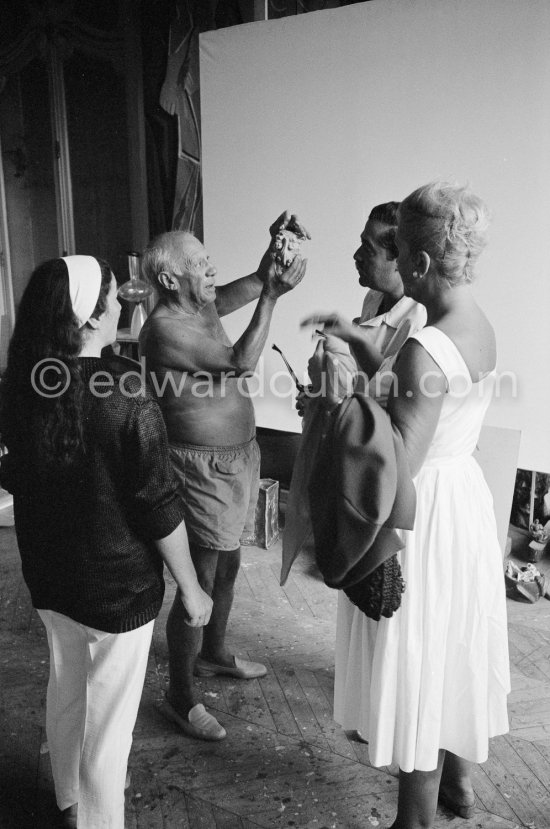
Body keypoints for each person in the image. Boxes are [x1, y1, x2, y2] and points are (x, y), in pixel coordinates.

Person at [302, 182, 510, 828]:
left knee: (418, 664)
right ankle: (454, 784)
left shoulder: (424, 345)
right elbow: (427, 392)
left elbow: (396, 457)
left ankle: (411, 821)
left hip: (422, 513)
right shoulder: (475, 323)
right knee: (445, 651)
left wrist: (338, 403)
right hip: (462, 498)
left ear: (418, 265)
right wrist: (365, 347)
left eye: (403, 254)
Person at [0, 256, 212, 829]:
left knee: (67, 686)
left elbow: (14, 474)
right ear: (93, 316)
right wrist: (192, 587)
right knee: (109, 731)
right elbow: (157, 504)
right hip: (116, 593)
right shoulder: (124, 392)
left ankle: (67, 800)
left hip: (49, 578)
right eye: (114, 293)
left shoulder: (23, 382)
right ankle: (97, 819)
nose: (123, 293)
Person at [139, 218, 307, 741]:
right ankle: (180, 697)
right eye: (198, 264)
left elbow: (254, 281)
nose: (210, 269)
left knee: (228, 566)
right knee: (202, 581)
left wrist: (271, 256)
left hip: (237, 458)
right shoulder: (165, 328)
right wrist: (274, 299)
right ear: (170, 281)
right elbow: (240, 362)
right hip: (200, 468)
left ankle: (212, 654)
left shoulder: (199, 302)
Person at [282, 203, 426, 584]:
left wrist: (332, 398)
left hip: (386, 464)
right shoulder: (373, 301)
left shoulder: (417, 322)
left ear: (400, 260)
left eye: (368, 248)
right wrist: (321, 394)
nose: (356, 255)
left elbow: (391, 402)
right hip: (361, 443)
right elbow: (367, 378)